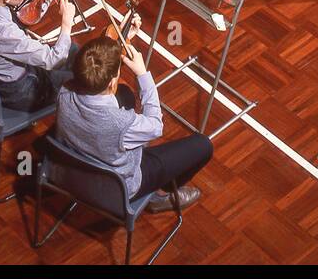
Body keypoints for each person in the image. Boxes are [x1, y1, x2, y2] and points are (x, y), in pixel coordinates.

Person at [55, 34, 213, 213]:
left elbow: (94, 67)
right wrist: (142, 74)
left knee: (125, 94)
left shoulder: (64, 90)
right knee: (203, 145)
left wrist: (120, 39)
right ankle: (159, 194)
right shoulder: (123, 123)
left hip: (71, 171)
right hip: (119, 187)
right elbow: (155, 125)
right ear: (112, 81)